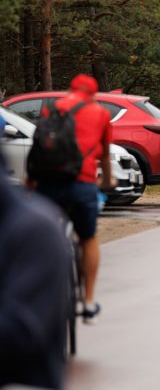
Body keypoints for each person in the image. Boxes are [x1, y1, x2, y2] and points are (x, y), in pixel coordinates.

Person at [29, 74, 112, 324]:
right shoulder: (101, 114)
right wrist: (107, 181)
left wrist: (32, 182)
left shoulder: (54, 108)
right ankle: (87, 302)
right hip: (83, 184)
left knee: (43, 238)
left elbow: (41, 146)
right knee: (88, 238)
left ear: (70, 89)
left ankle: (42, 297)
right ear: (94, 94)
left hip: (49, 183)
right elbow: (105, 155)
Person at [0, 142, 70, 390]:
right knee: (86, 232)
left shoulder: (29, 229)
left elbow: (19, 336)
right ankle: (90, 299)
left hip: (44, 190)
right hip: (76, 187)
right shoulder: (95, 116)